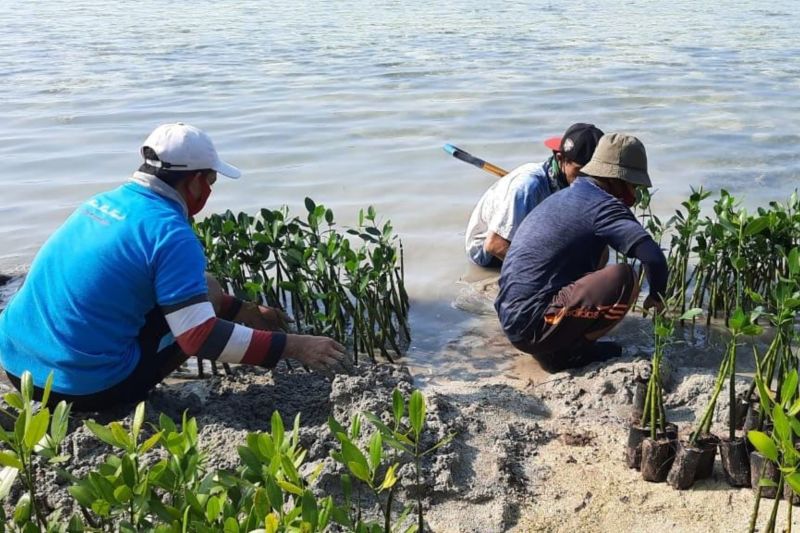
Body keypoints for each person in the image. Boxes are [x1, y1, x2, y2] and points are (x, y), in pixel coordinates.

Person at [0, 123, 346, 411]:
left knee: (205, 287)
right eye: (210, 181)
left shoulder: (100, 203)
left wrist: (239, 309)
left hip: (16, 367)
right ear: (194, 181)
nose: (209, 190)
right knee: (199, 316)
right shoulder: (171, 233)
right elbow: (199, 338)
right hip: (78, 390)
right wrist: (295, 345)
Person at [494, 133, 667, 372]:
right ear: (617, 179)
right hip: (531, 327)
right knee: (625, 277)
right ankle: (571, 354)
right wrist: (657, 297)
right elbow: (653, 258)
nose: (635, 195)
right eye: (634, 185)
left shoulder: (568, 196)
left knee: (599, 259)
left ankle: (556, 342)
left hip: (512, 318)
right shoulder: (604, 205)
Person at [464, 123, 604, 267]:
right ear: (561, 158)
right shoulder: (528, 186)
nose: (589, 178)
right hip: (488, 252)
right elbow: (495, 245)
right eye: (581, 171)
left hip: (530, 235)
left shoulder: (569, 181)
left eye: (595, 173)